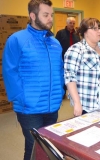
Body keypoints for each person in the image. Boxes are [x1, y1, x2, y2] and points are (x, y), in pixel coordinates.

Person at [2, 0, 64, 159]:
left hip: (53, 106)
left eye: (51, 15)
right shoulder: (17, 39)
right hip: (29, 108)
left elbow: (59, 71)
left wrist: (60, 92)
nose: (50, 18)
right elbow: (9, 71)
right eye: (45, 15)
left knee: (48, 145)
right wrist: (21, 97)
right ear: (32, 16)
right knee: (35, 146)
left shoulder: (55, 43)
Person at [64, 18, 100, 116]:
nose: (99, 31)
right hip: (86, 105)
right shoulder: (76, 50)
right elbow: (70, 78)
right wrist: (77, 103)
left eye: (99, 28)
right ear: (85, 32)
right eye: (95, 29)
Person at [56, 17, 80, 98]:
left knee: (73, 75)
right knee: (63, 75)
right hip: (63, 58)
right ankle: (62, 93)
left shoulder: (76, 35)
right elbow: (56, 46)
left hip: (74, 59)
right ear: (67, 23)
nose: (72, 25)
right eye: (70, 23)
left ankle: (72, 92)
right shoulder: (60, 33)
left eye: (73, 23)